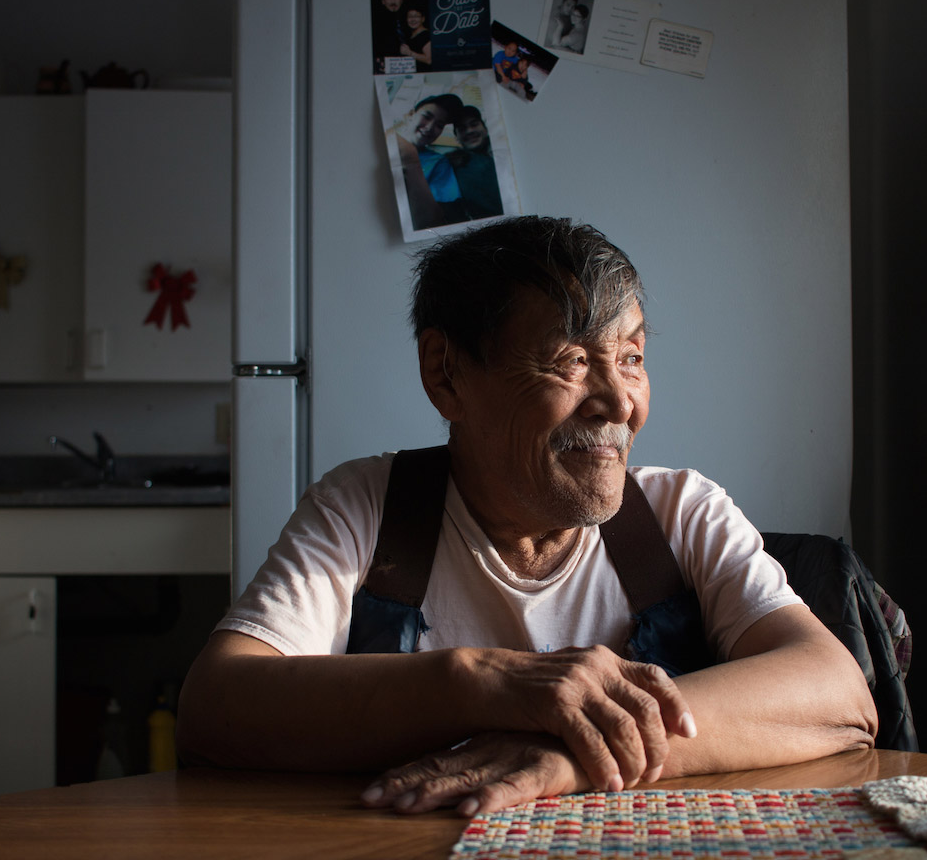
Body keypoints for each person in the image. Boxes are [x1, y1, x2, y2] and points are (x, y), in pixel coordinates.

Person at [177, 217, 877, 817]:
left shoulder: (680, 513)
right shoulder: (368, 508)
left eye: (631, 358)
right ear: (445, 372)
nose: (617, 401)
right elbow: (217, 706)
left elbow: (839, 696)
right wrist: (484, 683)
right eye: (571, 360)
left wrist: (570, 752)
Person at [393, 93, 467, 229]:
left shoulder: (438, 162)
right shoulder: (387, 140)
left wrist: (410, 158)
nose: (429, 127)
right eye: (426, 117)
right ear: (410, 115)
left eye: (439, 125)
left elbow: (433, 220)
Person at [448, 105, 502, 219]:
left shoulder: (504, 148)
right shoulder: (457, 165)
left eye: (474, 124)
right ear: (456, 137)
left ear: (485, 129)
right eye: (462, 128)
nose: (469, 131)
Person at [372, 0, 407, 71]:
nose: (393, 1)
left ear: (401, 0)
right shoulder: (376, 23)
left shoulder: (409, 20)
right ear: (383, 1)